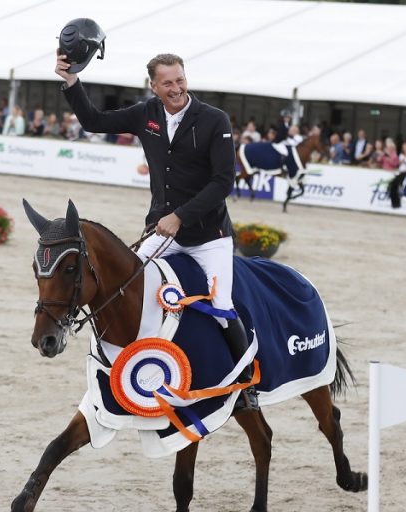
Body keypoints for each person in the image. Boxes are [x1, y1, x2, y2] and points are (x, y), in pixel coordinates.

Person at [56, 51, 259, 412]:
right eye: (167, 82)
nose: (176, 88)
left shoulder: (214, 119)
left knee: (222, 304)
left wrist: (181, 216)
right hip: (161, 230)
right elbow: (92, 120)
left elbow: (222, 181)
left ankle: (245, 385)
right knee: (127, 285)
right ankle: (131, 366)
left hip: (208, 236)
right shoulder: (146, 113)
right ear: (154, 86)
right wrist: (71, 80)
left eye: (180, 80)